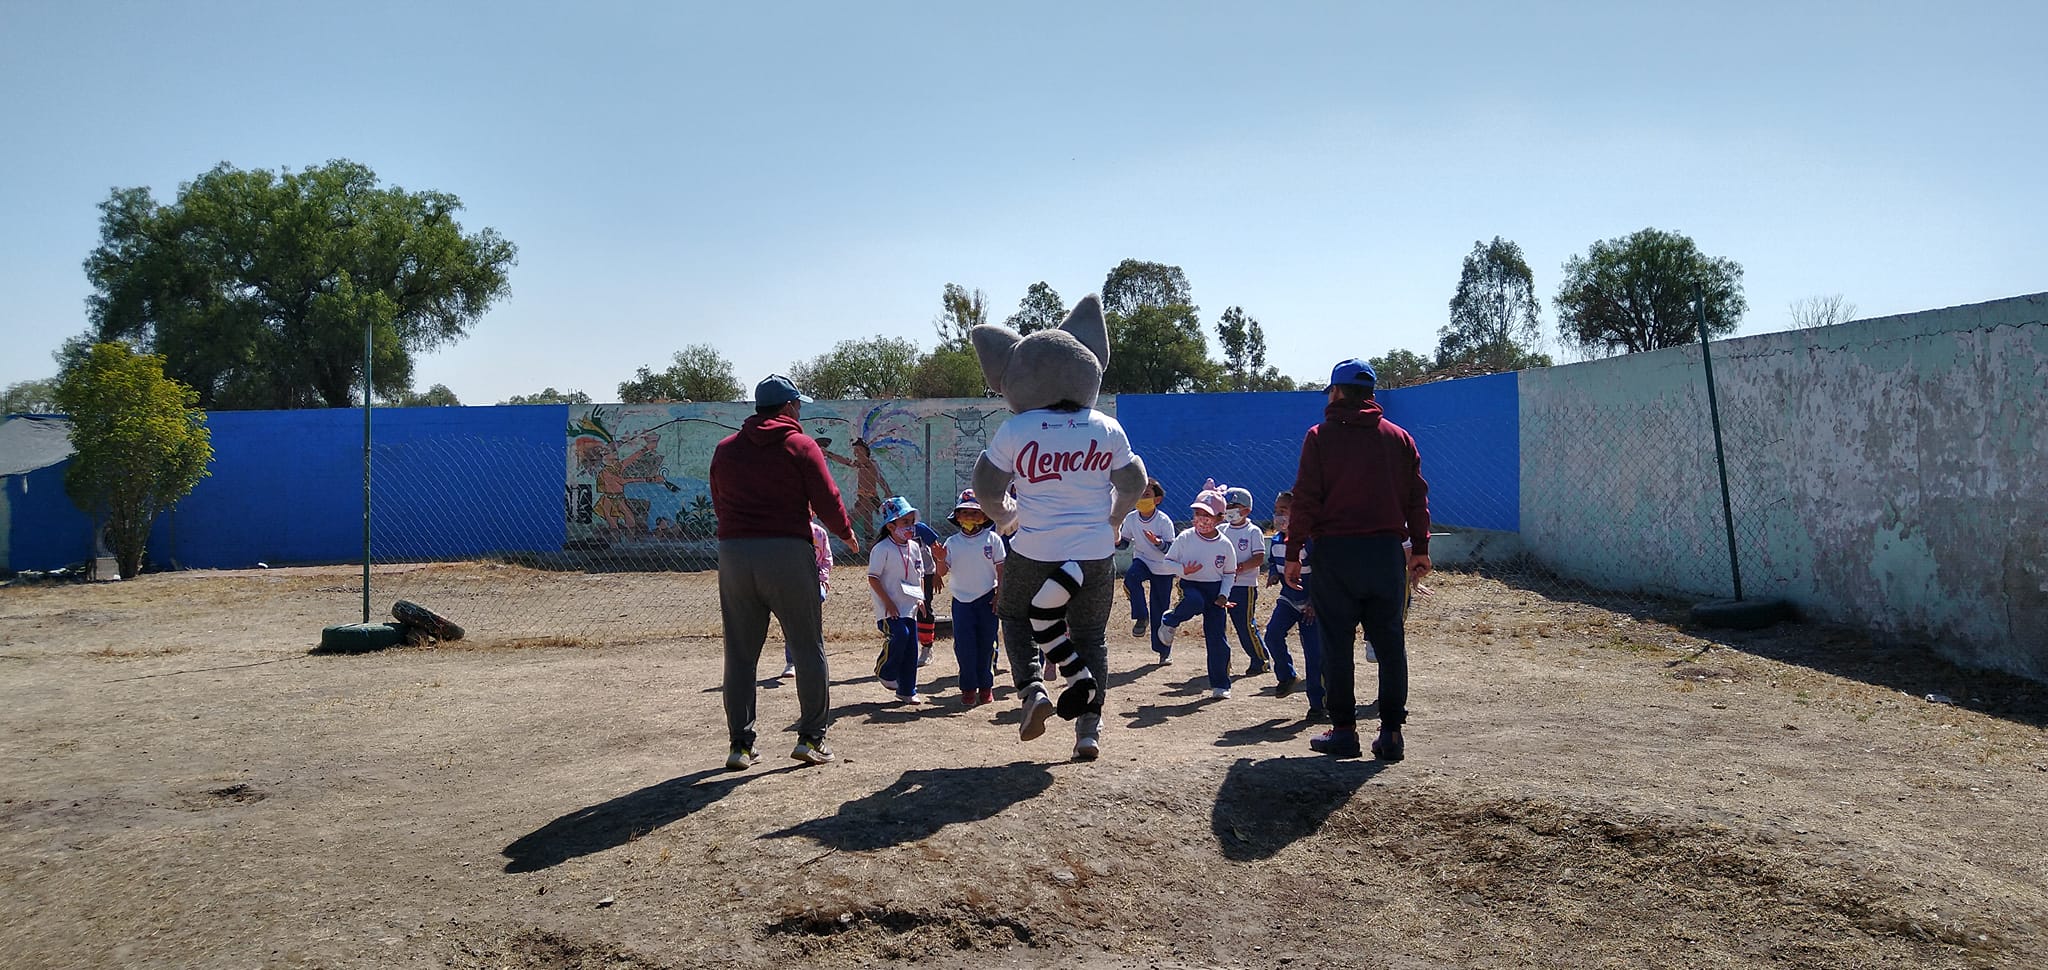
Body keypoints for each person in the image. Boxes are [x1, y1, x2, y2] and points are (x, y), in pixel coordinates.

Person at [709, 374, 860, 770]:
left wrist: (739, 536)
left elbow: (719, 500)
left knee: (740, 654)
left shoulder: (725, 450)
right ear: (790, 406)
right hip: (788, 553)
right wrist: (845, 533)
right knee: (808, 646)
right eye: (800, 406)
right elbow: (827, 498)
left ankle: (740, 745)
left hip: (735, 556)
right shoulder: (800, 445)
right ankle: (811, 739)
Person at [1284, 358, 1431, 762]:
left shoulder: (1319, 437)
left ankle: (1345, 732)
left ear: (1337, 391)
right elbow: (1417, 496)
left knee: (1337, 644)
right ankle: (1391, 735)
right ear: (1370, 394)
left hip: (1336, 555)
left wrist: (1294, 552)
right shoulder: (1399, 438)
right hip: (1385, 554)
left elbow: (1306, 500)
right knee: (1390, 645)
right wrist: (1419, 548)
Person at [1157, 489, 1240, 698]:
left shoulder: (1225, 544)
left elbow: (1229, 573)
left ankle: (1221, 684)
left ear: (1220, 519)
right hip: (1191, 584)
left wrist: (1223, 595)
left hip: (1215, 591)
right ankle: (1170, 619)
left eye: (1208, 515)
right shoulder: (1185, 538)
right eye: (1198, 514)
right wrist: (1184, 570)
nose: (1202, 520)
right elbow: (1167, 563)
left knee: (1217, 638)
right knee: (1194, 601)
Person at [933, 489, 1005, 708]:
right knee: (964, 646)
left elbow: (1001, 569)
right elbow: (943, 571)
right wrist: (940, 561)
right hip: (962, 603)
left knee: (986, 644)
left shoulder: (992, 539)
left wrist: (999, 594)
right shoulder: (952, 543)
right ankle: (967, 688)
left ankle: (985, 687)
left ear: (984, 517)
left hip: (987, 600)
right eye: (965, 513)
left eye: (975, 513)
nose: (970, 518)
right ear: (957, 517)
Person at [867, 496, 934, 704]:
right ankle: (885, 671)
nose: (910, 527)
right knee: (900, 636)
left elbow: (919, 574)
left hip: (909, 607)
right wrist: (887, 602)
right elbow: (873, 577)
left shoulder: (914, 547)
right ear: (890, 526)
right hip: (889, 609)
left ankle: (907, 690)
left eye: (911, 522)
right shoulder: (881, 549)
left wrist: (921, 599)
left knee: (911, 646)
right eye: (905, 522)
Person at [1261, 491, 1321, 713]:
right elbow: (1274, 562)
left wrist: (1315, 602)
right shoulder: (1276, 540)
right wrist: (1273, 575)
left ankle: (1318, 704)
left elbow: (1320, 572)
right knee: (1272, 634)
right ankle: (1287, 676)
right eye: (1276, 511)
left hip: (1310, 604)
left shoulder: (1309, 540)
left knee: (1314, 654)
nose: (1278, 516)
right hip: (1288, 599)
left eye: (1283, 511)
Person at [1116, 478, 1176, 661]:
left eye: (1147, 495)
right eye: (1140, 494)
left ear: (1157, 499)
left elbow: (1171, 549)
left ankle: (1163, 652)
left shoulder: (1163, 521)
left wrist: (1158, 543)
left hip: (1163, 567)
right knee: (1131, 578)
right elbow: (1124, 543)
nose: (1142, 498)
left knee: (1160, 609)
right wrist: (1116, 539)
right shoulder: (1131, 518)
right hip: (1142, 560)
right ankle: (1141, 616)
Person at [1218, 485, 1270, 677]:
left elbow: (1258, 558)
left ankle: (1261, 659)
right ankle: (1223, 663)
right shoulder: (1222, 529)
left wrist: (1239, 567)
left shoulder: (1252, 531)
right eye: (1228, 505)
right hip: (1223, 584)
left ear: (1246, 510)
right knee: (1218, 625)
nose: (1230, 509)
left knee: (1244, 624)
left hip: (1244, 585)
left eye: (1235, 505)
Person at [781, 517, 835, 679]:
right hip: (792, 582)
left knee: (812, 613)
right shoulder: (786, 533)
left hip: (814, 581)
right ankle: (792, 662)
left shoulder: (819, 533)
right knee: (793, 621)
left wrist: (823, 579)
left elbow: (826, 559)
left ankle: (814, 657)